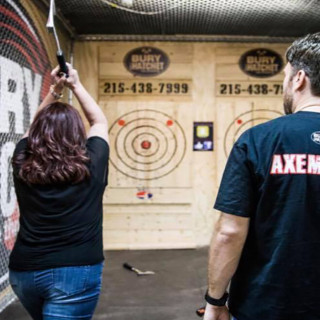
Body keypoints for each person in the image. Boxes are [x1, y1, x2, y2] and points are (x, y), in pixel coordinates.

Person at [203, 32, 320, 320]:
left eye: (285, 76)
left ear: (299, 79)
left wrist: (215, 301)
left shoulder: (258, 140)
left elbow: (230, 231)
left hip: (267, 304)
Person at [9, 63, 109, 320]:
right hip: (76, 273)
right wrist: (75, 84)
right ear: (77, 133)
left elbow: (32, 131)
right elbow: (98, 120)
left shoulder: (22, 161)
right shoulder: (92, 162)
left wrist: (55, 90)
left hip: (25, 270)